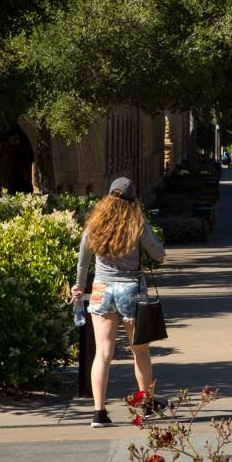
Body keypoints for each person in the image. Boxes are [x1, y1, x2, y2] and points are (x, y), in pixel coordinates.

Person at [72, 177, 166, 427]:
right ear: (133, 200)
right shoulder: (137, 222)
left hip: (101, 289)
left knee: (102, 353)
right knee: (140, 351)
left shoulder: (95, 223)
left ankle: (98, 413)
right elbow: (158, 254)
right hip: (131, 291)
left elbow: (83, 260)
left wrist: (80, 287)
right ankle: (146, 405)